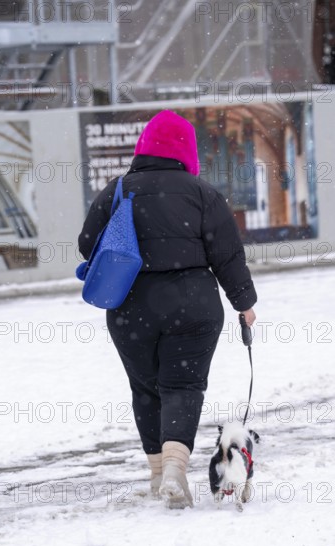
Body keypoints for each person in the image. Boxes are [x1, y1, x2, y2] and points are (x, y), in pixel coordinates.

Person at [78, 110, 257, 509]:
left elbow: (87, 243)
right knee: (183, 386)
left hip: (131, 309)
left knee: (146, 390)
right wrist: (244, 303)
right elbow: (227, 254)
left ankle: (159, 473)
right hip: (193, 306)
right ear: (186, 152)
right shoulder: (202, 193)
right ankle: (176, 468)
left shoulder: (117, 189)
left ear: (144, 148)